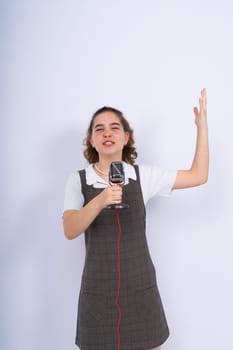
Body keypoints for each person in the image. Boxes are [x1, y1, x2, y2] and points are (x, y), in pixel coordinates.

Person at [62, 89, 209, 350]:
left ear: (125, 137)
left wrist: (202, 127)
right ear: (91, 140)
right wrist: (100, 199)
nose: (107, 133)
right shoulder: (78, 181)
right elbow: (70, 229)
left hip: (140, 292)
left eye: (114, 127)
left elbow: (199, 175)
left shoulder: (144, 176)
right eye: (99, 129)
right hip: (98, 297)